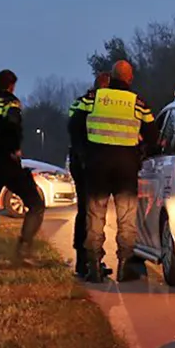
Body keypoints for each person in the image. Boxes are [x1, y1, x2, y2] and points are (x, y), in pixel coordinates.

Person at [82, 60, 158, 282]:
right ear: (130, 78)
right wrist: (142, 150)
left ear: (111, 77)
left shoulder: (93, 99)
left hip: (97, 166)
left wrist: (84, 152)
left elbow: (74, 123)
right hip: (126, 168)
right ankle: (125, 266)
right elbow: (153, 135)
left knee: (96, 216)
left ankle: (94, 266)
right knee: (126, 218)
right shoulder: (138, 103)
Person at [0, 69, 46, 276]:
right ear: (12, 86)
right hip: (7, 162)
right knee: (36, 204)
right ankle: (23, 248)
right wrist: (14, 149)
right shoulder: (10, 104)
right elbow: (14, 128)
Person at [67, 71, 110, 277]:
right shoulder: (102, 104)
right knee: (94, 212)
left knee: (84, 211)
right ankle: (90, 260)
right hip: (92, 162)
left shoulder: (79, 103)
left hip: (79, 161)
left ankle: (83, 261)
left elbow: (72, 129)